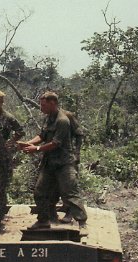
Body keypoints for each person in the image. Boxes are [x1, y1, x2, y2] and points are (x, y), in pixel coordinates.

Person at [18, 91, 88, 235]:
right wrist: (28, 144)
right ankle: (43, 220)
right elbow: (42, 135)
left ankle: (82, 223)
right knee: (40, 191)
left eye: (43, 105)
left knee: (70, 192)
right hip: (50, 162)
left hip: (64, 163)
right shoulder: (48, 118)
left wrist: (35, 149)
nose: (41, 108)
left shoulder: (63, 120)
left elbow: (56, 143)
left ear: (52, 103)